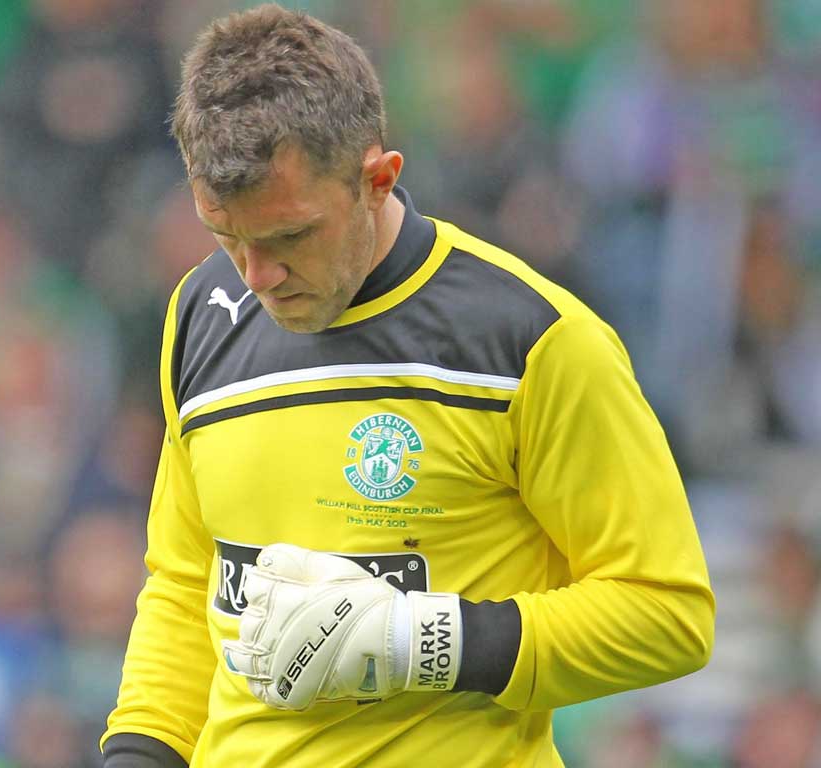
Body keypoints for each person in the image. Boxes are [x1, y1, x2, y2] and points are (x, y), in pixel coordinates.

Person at [101, 5, 715, 767]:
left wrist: (424, 640)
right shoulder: (201, 312)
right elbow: (189, 587)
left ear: (377, 178)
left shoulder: (533, 342)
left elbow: (668, 615)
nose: (258, 278)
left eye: (290, 236)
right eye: (226, 238)